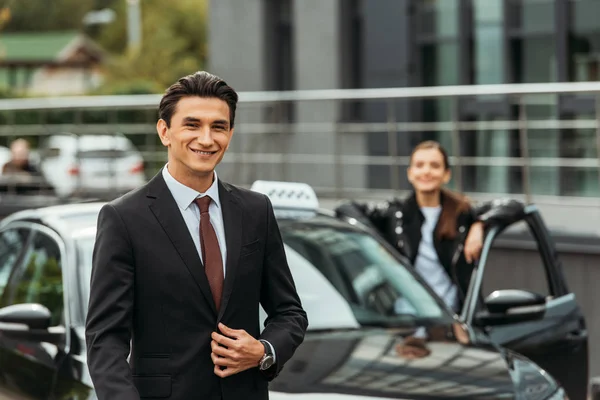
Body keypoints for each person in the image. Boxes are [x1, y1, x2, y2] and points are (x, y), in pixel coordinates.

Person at [85, 71, 308, 400]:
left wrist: (264, 351)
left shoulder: (256, 210)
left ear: (230, 134)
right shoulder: (123, 218)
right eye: (192, 125)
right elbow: (105, 339)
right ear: (165, 132)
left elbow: (289, 312)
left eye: (218, 127)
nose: (206, 139)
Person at [336, 140, 490, 313]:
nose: (426, 171)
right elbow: (345, 208)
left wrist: (479, 225)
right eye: (419, 165)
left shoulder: (462, 214)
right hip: (405, 319)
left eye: (434, 165)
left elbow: (511, 206)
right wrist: (377, 242)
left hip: (452, 320)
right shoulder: (396, 214)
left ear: (446, 174)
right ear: (410, 173)